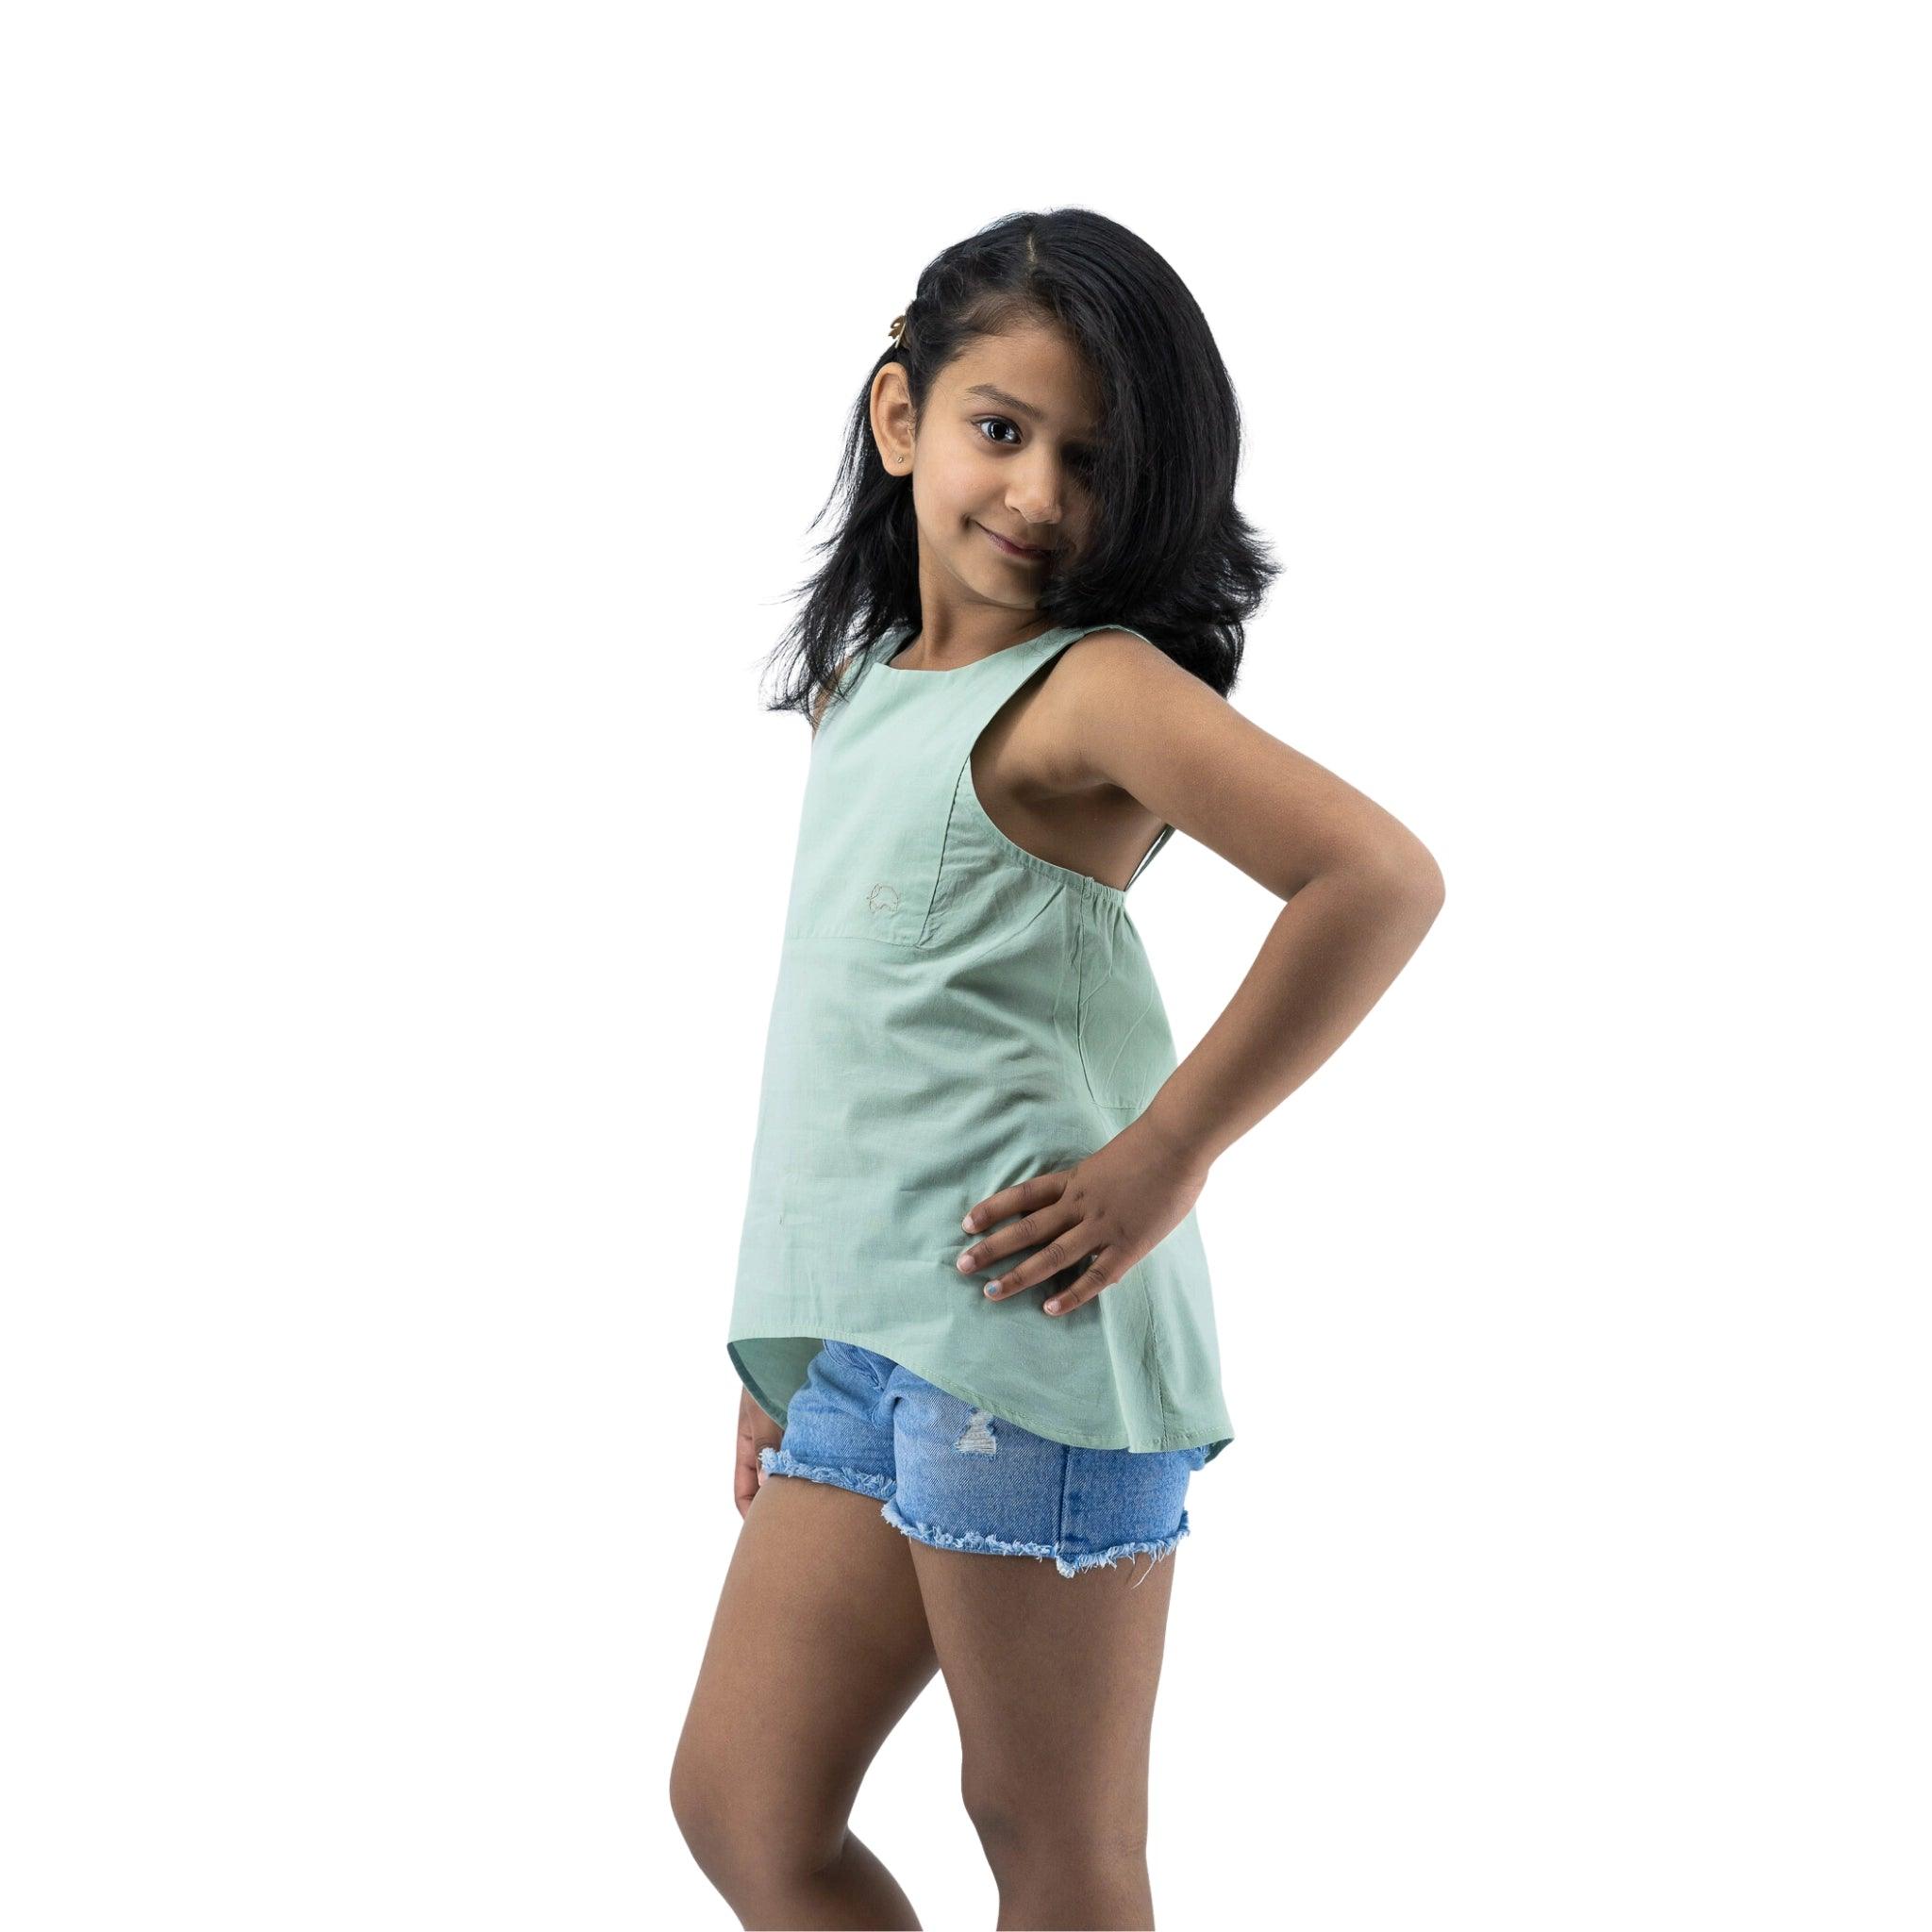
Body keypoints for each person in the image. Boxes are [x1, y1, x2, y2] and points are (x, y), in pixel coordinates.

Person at [672, 208, 1444, 1929]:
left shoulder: (1091, 690)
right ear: (900, 423)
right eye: (998, 431)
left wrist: (1167, 1154)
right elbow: (851, 1058)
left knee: (1051, 1843)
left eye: (1088, 462)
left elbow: (1378, 877)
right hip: (872, 1354)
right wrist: (792, 1331)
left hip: (1030, 1360)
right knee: (742, 1804)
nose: (1034, 494)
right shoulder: (865, 690)